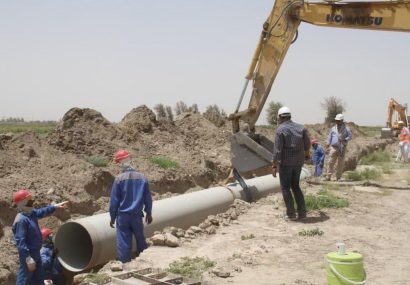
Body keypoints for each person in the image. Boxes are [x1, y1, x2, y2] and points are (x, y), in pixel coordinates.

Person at [12, 189, 69, 285]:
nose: (31, 202)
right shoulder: (21, 220)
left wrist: (54, 207)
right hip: (29, 254)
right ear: (21, 203)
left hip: (36, 253)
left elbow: (41, 212)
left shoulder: (31, 213)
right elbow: (20, 242)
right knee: (23, 280)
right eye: (28, 200)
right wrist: (28, 259)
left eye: (31, 199)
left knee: (39, 280)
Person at [109, 149, 153, 263]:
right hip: (137, 216)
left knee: (123, 241)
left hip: (123, 216)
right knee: (140, 239)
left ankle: (124, 265)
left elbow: (114, 201)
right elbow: (147, 197)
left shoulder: (119, 179)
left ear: (121, 163)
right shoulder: (142, 178)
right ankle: (144, 262)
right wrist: (149, 212)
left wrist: (112, 217)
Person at [271, 107, 311, 221]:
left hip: (286, 164)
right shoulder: (301, 128)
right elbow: (307, 144)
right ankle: (302, 213)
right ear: (289, 116)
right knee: (296, 186)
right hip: (298, 162)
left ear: (280, 117)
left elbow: (277, 151)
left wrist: (274, 166)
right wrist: (307, 154)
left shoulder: (280, 130)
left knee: (285, 188)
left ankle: (291, 214)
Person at [325, 114, 352, 181]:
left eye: (339, 121)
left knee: (340, 163)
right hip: (333, 147)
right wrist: (328, 143)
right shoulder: (333, 128)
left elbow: (350, 136)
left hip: (342, 147)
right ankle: (328, 176)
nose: (337, 122)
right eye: (336, 120)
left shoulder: (346, 128)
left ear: (342, 121)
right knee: (330, 162)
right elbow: (329, 136)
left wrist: (345, 139)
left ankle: (338, 177)